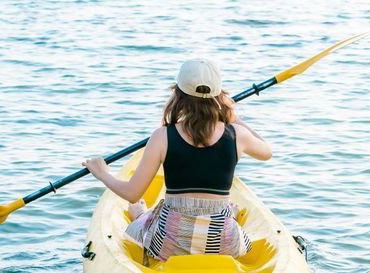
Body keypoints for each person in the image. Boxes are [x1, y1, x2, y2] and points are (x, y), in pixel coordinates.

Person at [82, 58, 272, 262]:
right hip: (224, 243)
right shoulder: (238, 135)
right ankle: (228, 218)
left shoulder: (162, 137)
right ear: (219, 94)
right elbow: (267, 152)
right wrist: (234, 118)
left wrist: (102, 173)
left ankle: (140, 216)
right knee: (221, 221)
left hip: (170, 244)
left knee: (142, 215)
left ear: (178, 95)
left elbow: (132, 193)